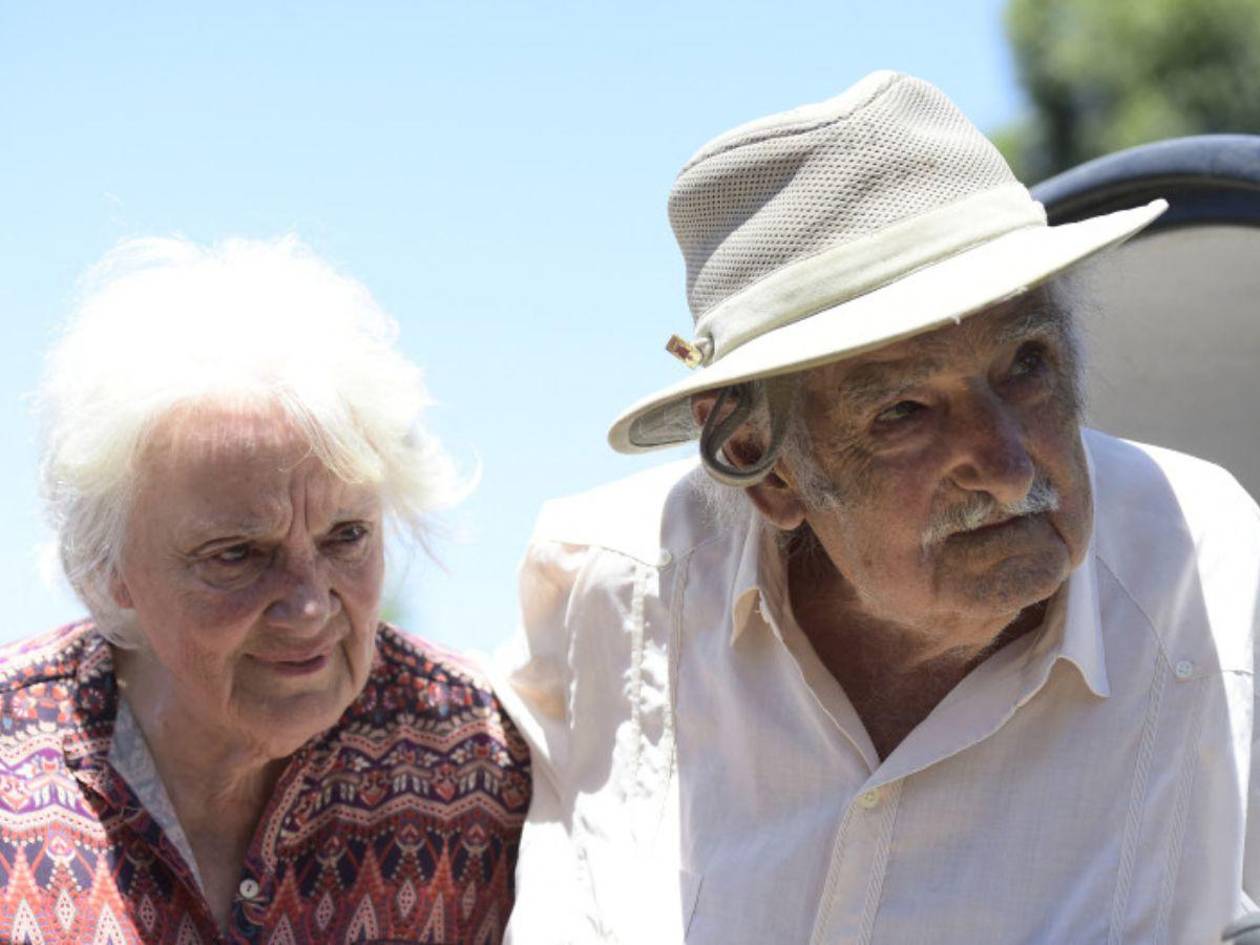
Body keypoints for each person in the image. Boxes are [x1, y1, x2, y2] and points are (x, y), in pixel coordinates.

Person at [498, 72, 1260, 943]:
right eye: (905, 412)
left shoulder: (1218, 578)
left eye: (1028, 365)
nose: (1010, 470)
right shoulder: (607, 592)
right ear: (760, 463)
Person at [0, 237, 530, 944]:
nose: (309, 607)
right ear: (109, 568)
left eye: (346, 536)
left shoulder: (484, 760)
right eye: (238, 555)